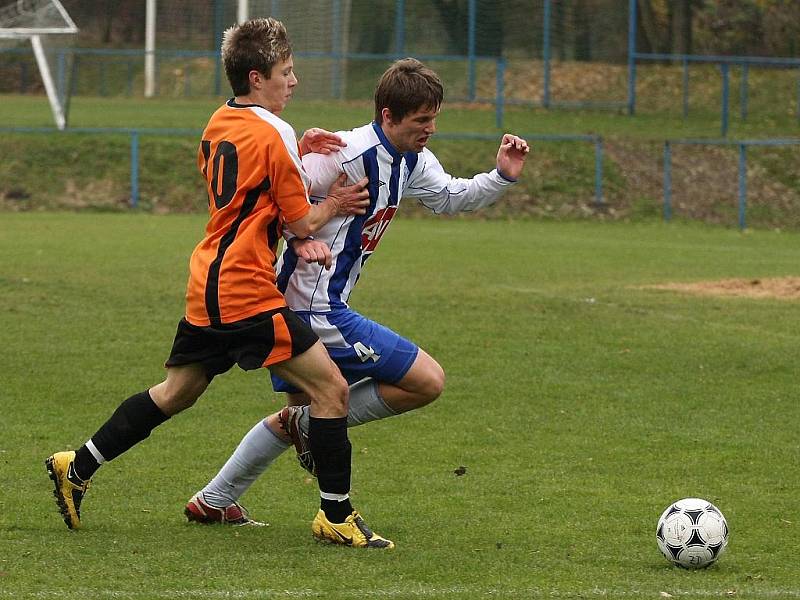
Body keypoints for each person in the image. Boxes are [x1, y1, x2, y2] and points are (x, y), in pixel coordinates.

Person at [45, 17, 395, 550]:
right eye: (286, 71)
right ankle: (336, 515)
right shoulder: (273, 130)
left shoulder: (217, 121)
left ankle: (77, 464)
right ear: (258, 78)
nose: (293, 81)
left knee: (176, 393)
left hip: (206, 276)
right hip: (245, 287)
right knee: (331, 391)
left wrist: (296, 152)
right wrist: (337, 204)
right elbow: (301, 222)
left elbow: (251, 188)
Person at [183, 57, 530, 527]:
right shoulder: (341, 154)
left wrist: (501, 176)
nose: (430, 128)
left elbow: (450, 197)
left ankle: (212, 500)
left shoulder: (414, 160)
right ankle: (320, 480)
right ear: (388, 116)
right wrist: (302, 238)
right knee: (425, 380)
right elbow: (276, 198)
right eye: (421, 120)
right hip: (312, 305)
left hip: (322, 301)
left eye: (434, 118)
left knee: (299, 416)